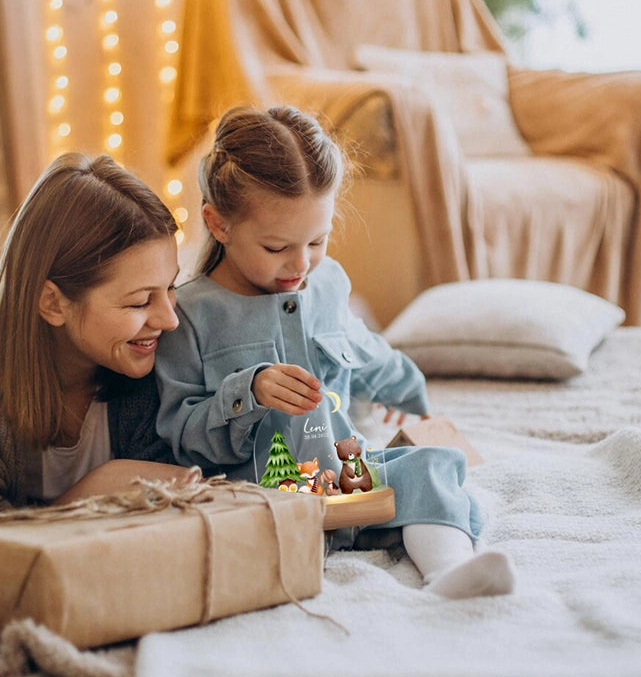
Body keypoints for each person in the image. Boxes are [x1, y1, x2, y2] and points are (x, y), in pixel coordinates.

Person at [155, 105, 515, 599]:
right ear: (218, 224)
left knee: (430, 466)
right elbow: (180, 436)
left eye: (317, 240)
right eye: (277, 247)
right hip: (262, 497)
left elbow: (364, 351)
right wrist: (250, 391)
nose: (300, 264)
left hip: (346, 481)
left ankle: (448, 574)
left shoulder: (326, 285)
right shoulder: (189, 315)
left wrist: (411, 392)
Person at [0, 153, 196, 592]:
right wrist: (91, 493)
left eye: (170, 288)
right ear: (52, 302)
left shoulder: (156, 351)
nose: (170, 320)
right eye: (139, 302)